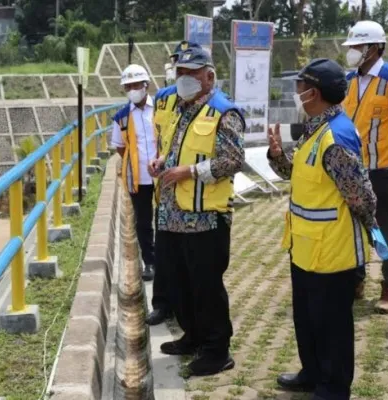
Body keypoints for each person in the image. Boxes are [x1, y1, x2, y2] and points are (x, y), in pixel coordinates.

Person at [267, 58, 379, 400]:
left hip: (332, 252)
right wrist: (278, 157)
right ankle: (312, 372)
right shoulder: (315, 127)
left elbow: (361, 197)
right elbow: (301, 176)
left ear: (313, 92)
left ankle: (333, 388)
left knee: (332, 327)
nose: (296, 92)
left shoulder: (336, 136)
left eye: (300, 86)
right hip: (305, 247)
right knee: (308, 319)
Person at [148, 46, 244, 376]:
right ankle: (193, 336)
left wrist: (189, 172)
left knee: (206, 286)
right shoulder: (180, 109)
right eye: (179, 73)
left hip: (205, 218)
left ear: (209, 76)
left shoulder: (224, 112)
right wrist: (161, 163)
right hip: (172, 214)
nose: (184, 79)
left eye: (191, 73)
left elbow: (233, 162)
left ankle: (217, 351)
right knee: (178, 283)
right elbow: (173, 150)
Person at [341, 20, 388, 312]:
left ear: (375, 48)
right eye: (351, 46)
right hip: (352, 171)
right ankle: (354, 280)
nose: (352, 51)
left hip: (385, 170)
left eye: (358, 46)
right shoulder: (350, 80)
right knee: (352, 229)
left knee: (386, 229)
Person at [145, 41, 196, 326]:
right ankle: (163, 304)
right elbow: (161, 138)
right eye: (177, 64)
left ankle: (185, 308)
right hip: (164, 187)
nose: (180, 71)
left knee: (187, 256)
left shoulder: (205, 101)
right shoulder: (162, 98)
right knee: (163, 252)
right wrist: (157, 162)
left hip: (190, 191)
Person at [111, 64, 156, 282]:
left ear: (146, 85)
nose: (132, 89)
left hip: (165, 174)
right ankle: (150, 262)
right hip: (138, 179)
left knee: (167, 220)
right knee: (144, 222)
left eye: (136, 84)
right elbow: (120, 147)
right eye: (128, 86)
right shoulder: (121, 117)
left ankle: (166, 260)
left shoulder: (160, 109)